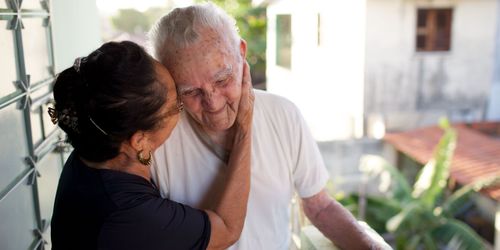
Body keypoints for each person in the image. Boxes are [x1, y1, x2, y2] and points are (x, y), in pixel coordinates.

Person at [149, 3, 385, 250]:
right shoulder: (156, 141)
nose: (213, 102)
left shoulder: (283, 115)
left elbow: (320, 206)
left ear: (241, 52)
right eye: (191, 91)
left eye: (222, 79)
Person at [49, 41, 254, 250]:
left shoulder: (95, 137)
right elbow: (227, 228)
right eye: (176, 106)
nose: (182, 109)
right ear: (140, 140)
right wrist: (245, 128)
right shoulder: (128, 214)